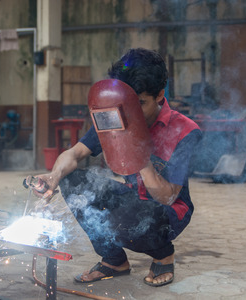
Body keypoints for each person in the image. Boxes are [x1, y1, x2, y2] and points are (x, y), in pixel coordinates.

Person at [27, 48, 202, 287]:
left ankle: (163, 255)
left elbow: (168, 196)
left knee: (137, 215)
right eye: (128, 103)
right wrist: (54, 176)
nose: (133, 112)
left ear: (160, 95)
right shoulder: (116, 115)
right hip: (134, 199)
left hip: (168, 210)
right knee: (73, 180)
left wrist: (137, 149)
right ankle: (113, 260)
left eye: (140, 103)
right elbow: (75, 153)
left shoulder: (185, 131)